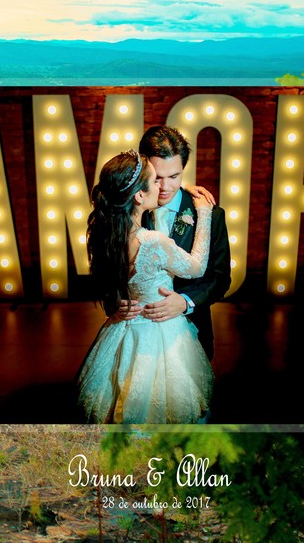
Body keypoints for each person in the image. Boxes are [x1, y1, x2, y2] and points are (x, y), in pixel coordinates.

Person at [76, 150, 214, 424]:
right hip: (160, 332)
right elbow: (198, 267)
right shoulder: (152, 242)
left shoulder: (107, 233)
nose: (162, 187)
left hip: (123, 330)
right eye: (154, 181)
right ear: (139, 195)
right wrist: (205, 213)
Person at [117, 125, 232, 361]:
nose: (166, 187)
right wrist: (115, 301)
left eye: (174, 177)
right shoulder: (128, 211)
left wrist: (186, 302)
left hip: (191, 334)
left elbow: (220, 278)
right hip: (136, 337)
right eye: (157, 178)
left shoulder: (210, 214)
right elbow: (110, 266)